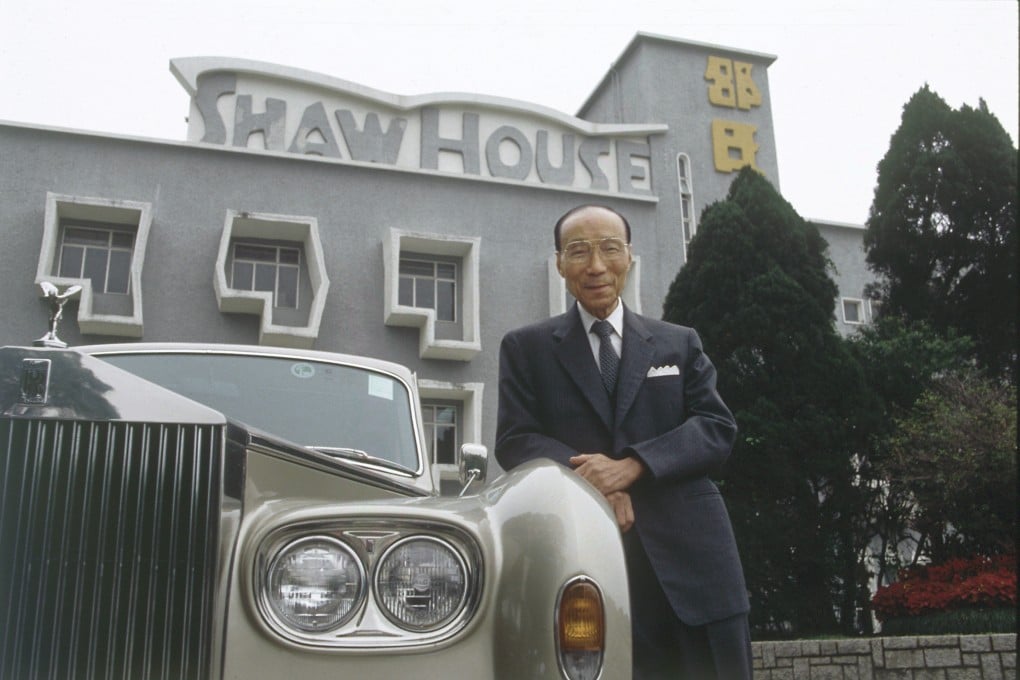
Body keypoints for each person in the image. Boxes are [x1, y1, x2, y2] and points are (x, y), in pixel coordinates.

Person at [495, 204, 752, 679]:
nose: (596, 266)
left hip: (696, 566)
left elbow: (715, 427)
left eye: (610, 249)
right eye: (579, 252)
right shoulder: (526, 348)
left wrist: (632, 466)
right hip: (589, 566)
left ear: (629, 257)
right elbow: (515, 439)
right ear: (559, 263)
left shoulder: (678, 343)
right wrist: (597, 482)